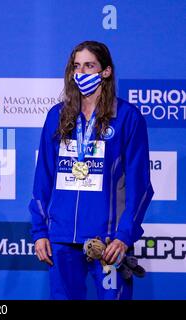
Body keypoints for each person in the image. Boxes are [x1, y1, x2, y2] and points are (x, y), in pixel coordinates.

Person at [29, 40, 153, 300]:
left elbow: (140, 187)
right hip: (62, 238)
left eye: (89, 66)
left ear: (105, 71)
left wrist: (124, 235)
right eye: (76, 66)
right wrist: (41, 231)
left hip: (108, 241)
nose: (81, 73)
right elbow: (43, 179)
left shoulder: (128, 117)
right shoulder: (58, 116)